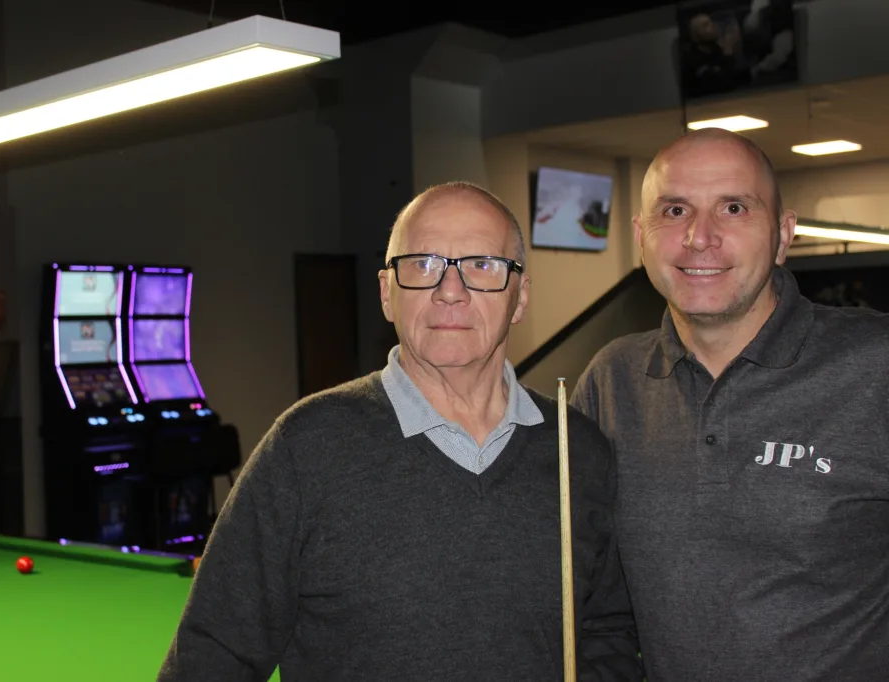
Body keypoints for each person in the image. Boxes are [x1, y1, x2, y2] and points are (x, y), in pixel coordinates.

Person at [159, 182, 642, 681]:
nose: (449, 291)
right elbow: (210, 659)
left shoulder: (578, 449)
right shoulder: (305, 449)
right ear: (388, 294)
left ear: (520, 298)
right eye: (423, 264)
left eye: (482, 265)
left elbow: (608, 634)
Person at [571, 128, 889, 681]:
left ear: (783, 234)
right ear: (641, 236)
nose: (699, 236)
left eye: (734, 207)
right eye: (675, 210)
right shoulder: (611, 381)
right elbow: (591, 597)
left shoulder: (875, 366)